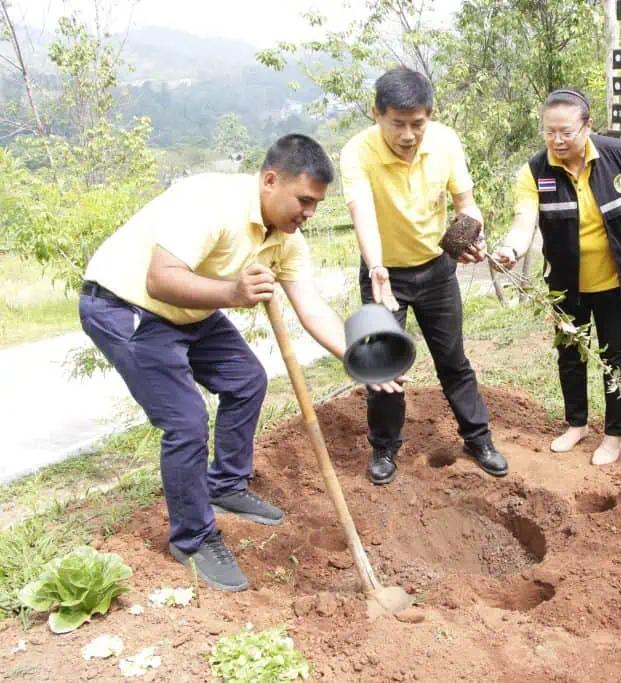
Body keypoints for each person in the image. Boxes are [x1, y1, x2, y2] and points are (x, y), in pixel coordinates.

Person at [81, 134, 350, 591]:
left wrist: (362, 360)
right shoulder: (212, 201)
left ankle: (224, 486)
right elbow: (161, 279)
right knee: (185, 422)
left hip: (190, 309)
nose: (309, 213)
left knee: (246, 380)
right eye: (304, 200)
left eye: (317, 204)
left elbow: (312, 308)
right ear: (270, 180)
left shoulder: (285, 238)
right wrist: (232, 294)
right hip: (125, 305)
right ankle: (192, 537)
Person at [339, 67, 508, 485]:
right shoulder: (356, 152)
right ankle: (384, 449)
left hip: (436, 270)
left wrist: (473, 233)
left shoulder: (446, 142)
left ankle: (478, 438)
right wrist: (377, 267)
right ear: (376, 113)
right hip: (384, 274)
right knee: (383, 367)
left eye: (418, 123)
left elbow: (466, 204)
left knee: (453, 360)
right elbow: (362, 212)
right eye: (397, 124)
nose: (409, 134)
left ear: (429, 115)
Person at [495, 88, 621, 466]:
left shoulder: (618, 155)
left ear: (587, 127)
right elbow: (525, 218)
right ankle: (576, 424)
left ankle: (615, 433)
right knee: (570, 352)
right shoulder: (535, 170)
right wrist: (511, 249)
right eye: (549, 132)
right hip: (565, 283)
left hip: (617, 278)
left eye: (565, 132)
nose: (557, 140)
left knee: (618, 355)